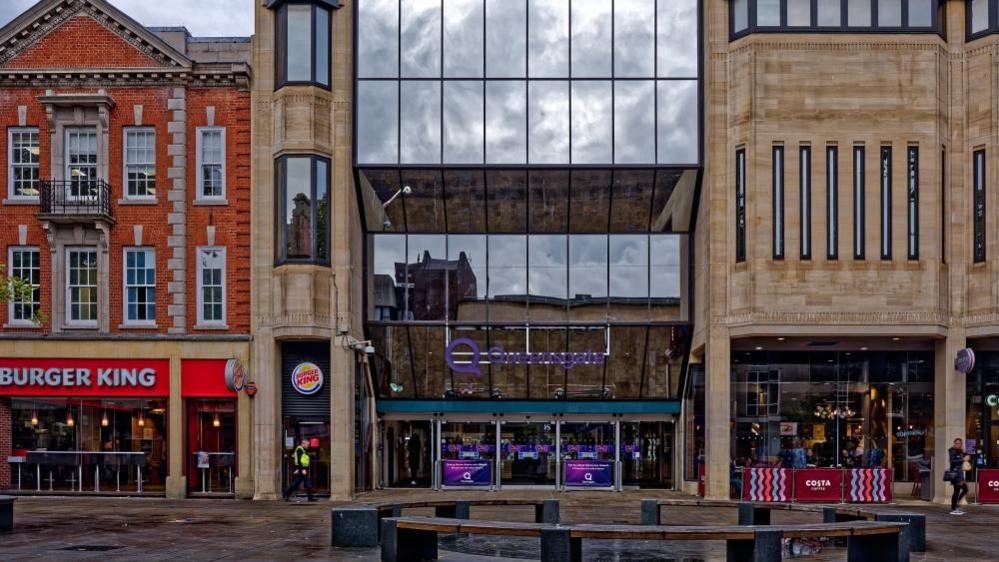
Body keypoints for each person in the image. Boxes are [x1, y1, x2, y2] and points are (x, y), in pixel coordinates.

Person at [948, 438, 970, 515]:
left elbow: (966, 457)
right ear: (954, 443)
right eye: (957, 443)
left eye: (960, 443)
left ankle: (955, 507)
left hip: (960, 474)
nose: (958, 444)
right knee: (959, 491)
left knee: (963, 490)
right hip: (955, 474)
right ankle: (954, 508)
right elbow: (952, 461)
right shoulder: (952, 450)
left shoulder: (960, 451)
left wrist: (964, 454)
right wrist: (962, 459)